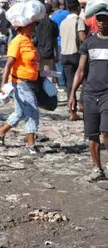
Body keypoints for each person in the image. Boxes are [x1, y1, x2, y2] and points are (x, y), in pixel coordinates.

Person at [69, 6, 108, 181]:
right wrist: (72, 94)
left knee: (106, 131)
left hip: (107, 94)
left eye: (104, 19)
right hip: (90, 93)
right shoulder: (89, 43)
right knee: (92, 134)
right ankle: (97, 169)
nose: (101, 22)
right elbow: (80, 70)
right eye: (98, 19)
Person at [0, 20, 41, 155]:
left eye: (34, 25)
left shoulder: (28, 40)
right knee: (32, 112)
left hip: (28, 82)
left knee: (20, 113)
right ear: (22, 27)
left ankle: (0, 132)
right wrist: (3, 84)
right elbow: (8, 64)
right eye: (30, 25)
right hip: (20, 83)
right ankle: (31, 145)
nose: (33, 27)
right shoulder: (17, 41)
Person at [60, 0, 87, 121]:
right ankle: (83, 104)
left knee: (70, 83)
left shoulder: (63, 22)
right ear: (77, 8)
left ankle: (72, 111)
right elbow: (82, 37)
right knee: (85, 78)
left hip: (64, 55)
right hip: (76, 54)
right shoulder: (78, 20)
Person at [34, 2, 59, 74]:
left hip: (38, 53)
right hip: (49, 54)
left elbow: (34, 40)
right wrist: (57, 54)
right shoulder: (53, 24)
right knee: (48, 77)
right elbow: (55, 41)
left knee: (38, 77)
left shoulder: (36, 24)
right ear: (51, 11)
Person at [51, 0, 70, 88]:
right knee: (68, 63)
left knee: (58, 65)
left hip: (58, 43)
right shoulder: (67, 13)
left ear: (53, 7)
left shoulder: (52, 18)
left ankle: (62, 85)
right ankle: (69, 82)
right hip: (68, 41)